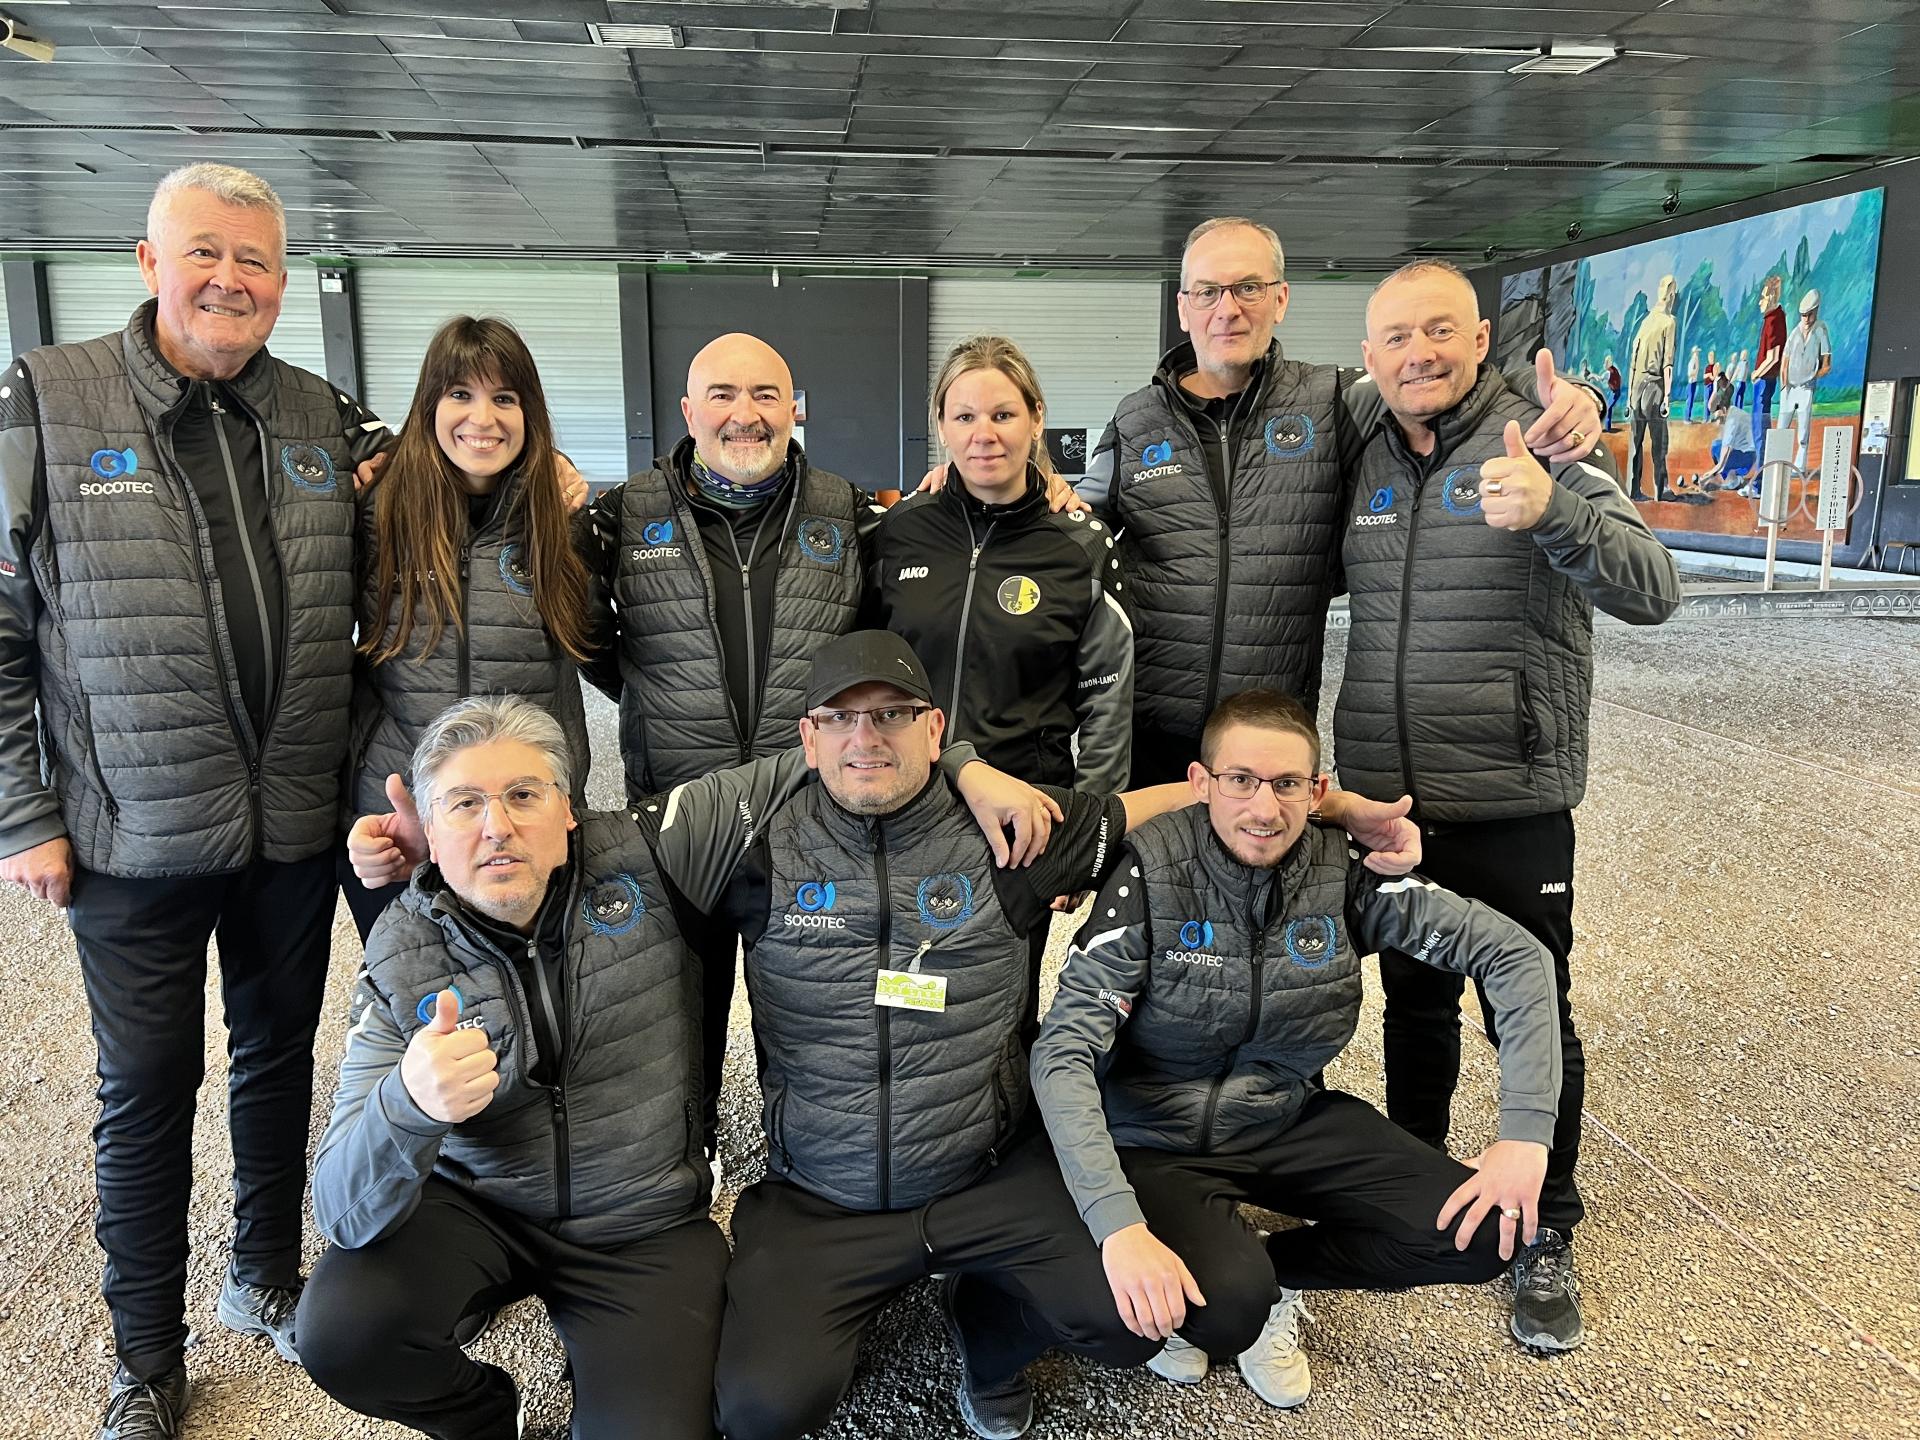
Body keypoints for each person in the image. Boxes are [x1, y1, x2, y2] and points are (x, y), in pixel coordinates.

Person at [707, 630, 1422, 1440]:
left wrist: (1327, 803)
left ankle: (989, 1338)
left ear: (935, 731)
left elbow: (1173, 802)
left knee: (1131, 1321)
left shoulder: (1012, 833)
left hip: (987, 1171)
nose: (865, 738)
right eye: (840, 718)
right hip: (820, 1191)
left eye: (892, 715)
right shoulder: (752, 847)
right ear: (808, 738)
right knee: (761, 1408)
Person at [306, 693, 1050, 1438]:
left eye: (523, 795)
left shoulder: (652, 855)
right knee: (342, 1333)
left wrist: (964, 764)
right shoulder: (401, 948)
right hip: (479, 1209)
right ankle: (486, 1419)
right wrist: (408, 1104)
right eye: (464, 804)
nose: (496, 825)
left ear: (569, 810)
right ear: (430, 830)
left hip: (640, 1228)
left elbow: (841, 752)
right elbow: (341, 1210)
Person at [0, 163, 391, 1439]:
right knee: (147, 1086)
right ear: (147, 260)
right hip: (132, 830)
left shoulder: (324, 414)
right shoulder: (44, 400)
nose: (231, 280)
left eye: (257, 260)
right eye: (205, 253)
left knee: (279, 1053)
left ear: (284, 280)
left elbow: (445, 473)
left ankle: (262, 1273)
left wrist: (546, 475)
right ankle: (145, 1357)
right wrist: (20, 813)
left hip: (293, 821)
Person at [1032, 690, 1565, 1410]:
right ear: (1201, 783)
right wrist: (1115, 1221)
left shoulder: (1340, 872)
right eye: (1240, 780)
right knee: (1228, 1306)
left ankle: (1276, 1270)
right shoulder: (1150, 871)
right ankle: (1228, 1280)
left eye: (1286, 784)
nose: (1264, 808)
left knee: (1487, 1232)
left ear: (1317, 792)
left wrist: (1525, 1135)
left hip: (1281, 1114)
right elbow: (1064, 1051)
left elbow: (1515, 954)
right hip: (1153, 1134)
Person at [1335, 259, 1681, 1352]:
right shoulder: (1360, 444)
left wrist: (1555, 512)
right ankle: (1417, 1188)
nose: (1420, 354)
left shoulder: (1547, 438)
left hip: (1512, 794)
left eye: (1441, 330)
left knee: (1531, 1012)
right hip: (1388, 800)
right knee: (1414, 1005)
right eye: (1397, 338)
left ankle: (1548, 1229)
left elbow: (1655, 590)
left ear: (1482, 338)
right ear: (1369, 358)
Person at [1078, 216, 1602, 785]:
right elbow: (1078, 524)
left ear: (1280, 299)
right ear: (1184, 308)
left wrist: (1577, 394)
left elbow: (1440, 377)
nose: (1227, 309)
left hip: (1271, 740)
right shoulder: (1136, 419)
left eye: (1248, 288)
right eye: (1207, 291)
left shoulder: (1334, 398)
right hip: (1150, 735)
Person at [576, 332, 879, 1161]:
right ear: (688, 411)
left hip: (806, 810)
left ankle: (807, 1162)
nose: (745, 415)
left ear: (794, 409)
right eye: (722, 395)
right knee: (682, 1008)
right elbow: (586, 636)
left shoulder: (848, 512)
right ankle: (689, 1157)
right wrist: (653, 698)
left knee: (811, 1006)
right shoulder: (624, 514)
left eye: (765, 395)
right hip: (682, 810)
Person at [868, 336, 1134, 1035]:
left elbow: (1107, 701)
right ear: (941, 425)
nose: (982, 434)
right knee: (907, 988)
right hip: (907, 806)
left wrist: (1088, 830)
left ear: (1037, 418)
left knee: (1002, 997)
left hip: (1025, 813)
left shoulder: (1080, 545)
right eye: (963, 416)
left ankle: (1006, 1101)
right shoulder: (898, 533)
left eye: (1003, 414)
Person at [342, 316, 599, 942]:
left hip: (523, 817)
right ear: (429, 404)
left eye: (504, 398)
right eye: (460, 393)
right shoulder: (376, 510)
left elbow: (596, 644)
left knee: (530, 985)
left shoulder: (561, 518)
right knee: (411, 985)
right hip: (403, 814)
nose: (483, 418)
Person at [1625, 273, 1680, 503]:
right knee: (1659, 442)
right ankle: (1661, 490)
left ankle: (1632, 489)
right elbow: (1667, 363)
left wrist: (1629, 395)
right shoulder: (1669, 322)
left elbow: (1633, 360)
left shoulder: (1645, 323)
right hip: (1654, 386)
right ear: (1672, 295)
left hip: (1637, 386)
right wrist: (1667, 395)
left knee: (1635, 442)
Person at [1779, 289, 1832, 471]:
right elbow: (1784, 362)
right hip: (1789, 388)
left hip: (1806, 388)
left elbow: (1827, 362)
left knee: (1803, 430)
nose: (1806, 319)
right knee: (1782, 428)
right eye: (1803, 315)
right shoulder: (1794, 333)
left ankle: (1799, 467)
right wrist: (1784, 387)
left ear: (1816, 311)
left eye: (1810, 314)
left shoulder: (1821, 330)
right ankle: (1777, 463)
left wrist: (1813, 377)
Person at [1702, 377, 1758, 493]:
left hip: (1748, 457)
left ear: (1723, 409)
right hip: (1748, 453)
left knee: (1717, 447)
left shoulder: (1732, 420)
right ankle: (1733, 476)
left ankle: (1734, 479)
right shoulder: (1732, 411)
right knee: (1717, 444)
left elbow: (1724, 453)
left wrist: (1711, 473)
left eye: (1717, 413)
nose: (1716, 419)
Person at [1750, 275, 1786, 441]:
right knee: (1759, 422)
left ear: (1771, 297)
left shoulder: (1773, 320)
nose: (1760, 302)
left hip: (1765, 378)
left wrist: (1756, 373)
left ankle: (1762, 457)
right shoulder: (1775, 318)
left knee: (1760, 423)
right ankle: (1761, 454)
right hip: (1766, 378)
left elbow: (1773, 357)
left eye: (1763, 297)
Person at [1603, 355, 1622, 432]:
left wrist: (1592, 376)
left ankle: (1607, 428)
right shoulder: (1615, 370)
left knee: (1608, 408)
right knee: (1608, 408)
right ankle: (1607, 427)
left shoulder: (1608, 373)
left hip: (1615, 392)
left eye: (1605, 363)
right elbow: (1620, 379)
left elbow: (1600, 379)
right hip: (1615, 392)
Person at [1684, 345, 1702, 421]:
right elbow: (1690, 373)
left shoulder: (1695, 359)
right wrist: (1695, 372)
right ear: (1694, 352)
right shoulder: (1693, 360)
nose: (1698, 353)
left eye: (1698, 352)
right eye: (1697, 351)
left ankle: (1688, 417)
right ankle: (1687, 418)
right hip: (1691, 382)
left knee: (1691, 400)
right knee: (1690, 400)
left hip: (1693, 381)